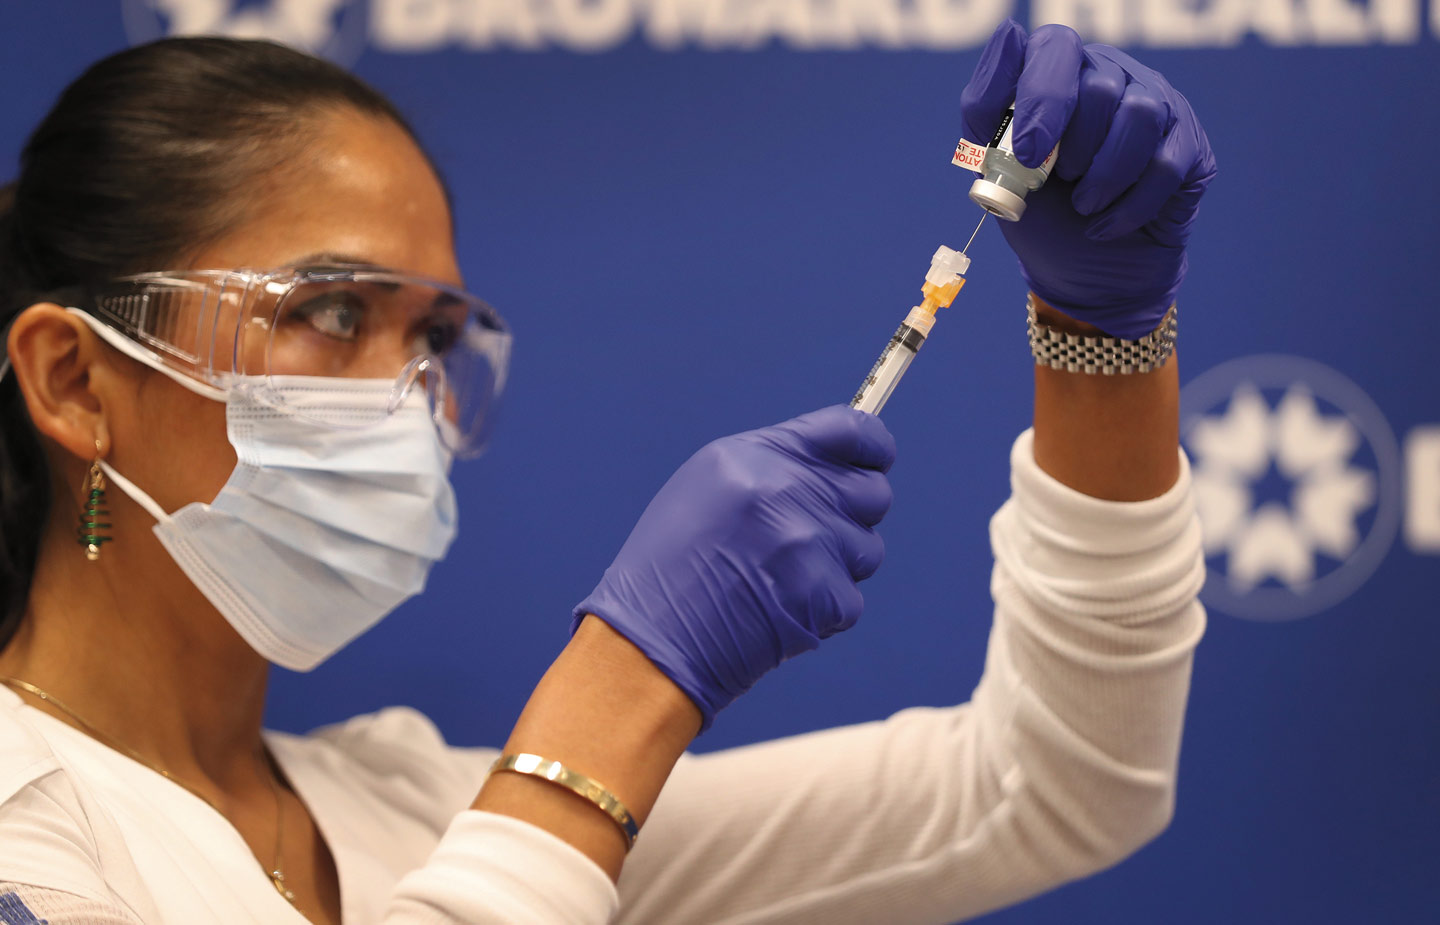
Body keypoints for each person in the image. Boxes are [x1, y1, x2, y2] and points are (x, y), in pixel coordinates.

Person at [0, 18, 1214, 925]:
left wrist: (1102, 332)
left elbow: (1050, 782)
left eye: (429, 337)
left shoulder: (407, 806)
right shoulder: (24, 824)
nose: (402, 396)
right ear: (73, 380)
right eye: (326, 310)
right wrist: (629, 679)